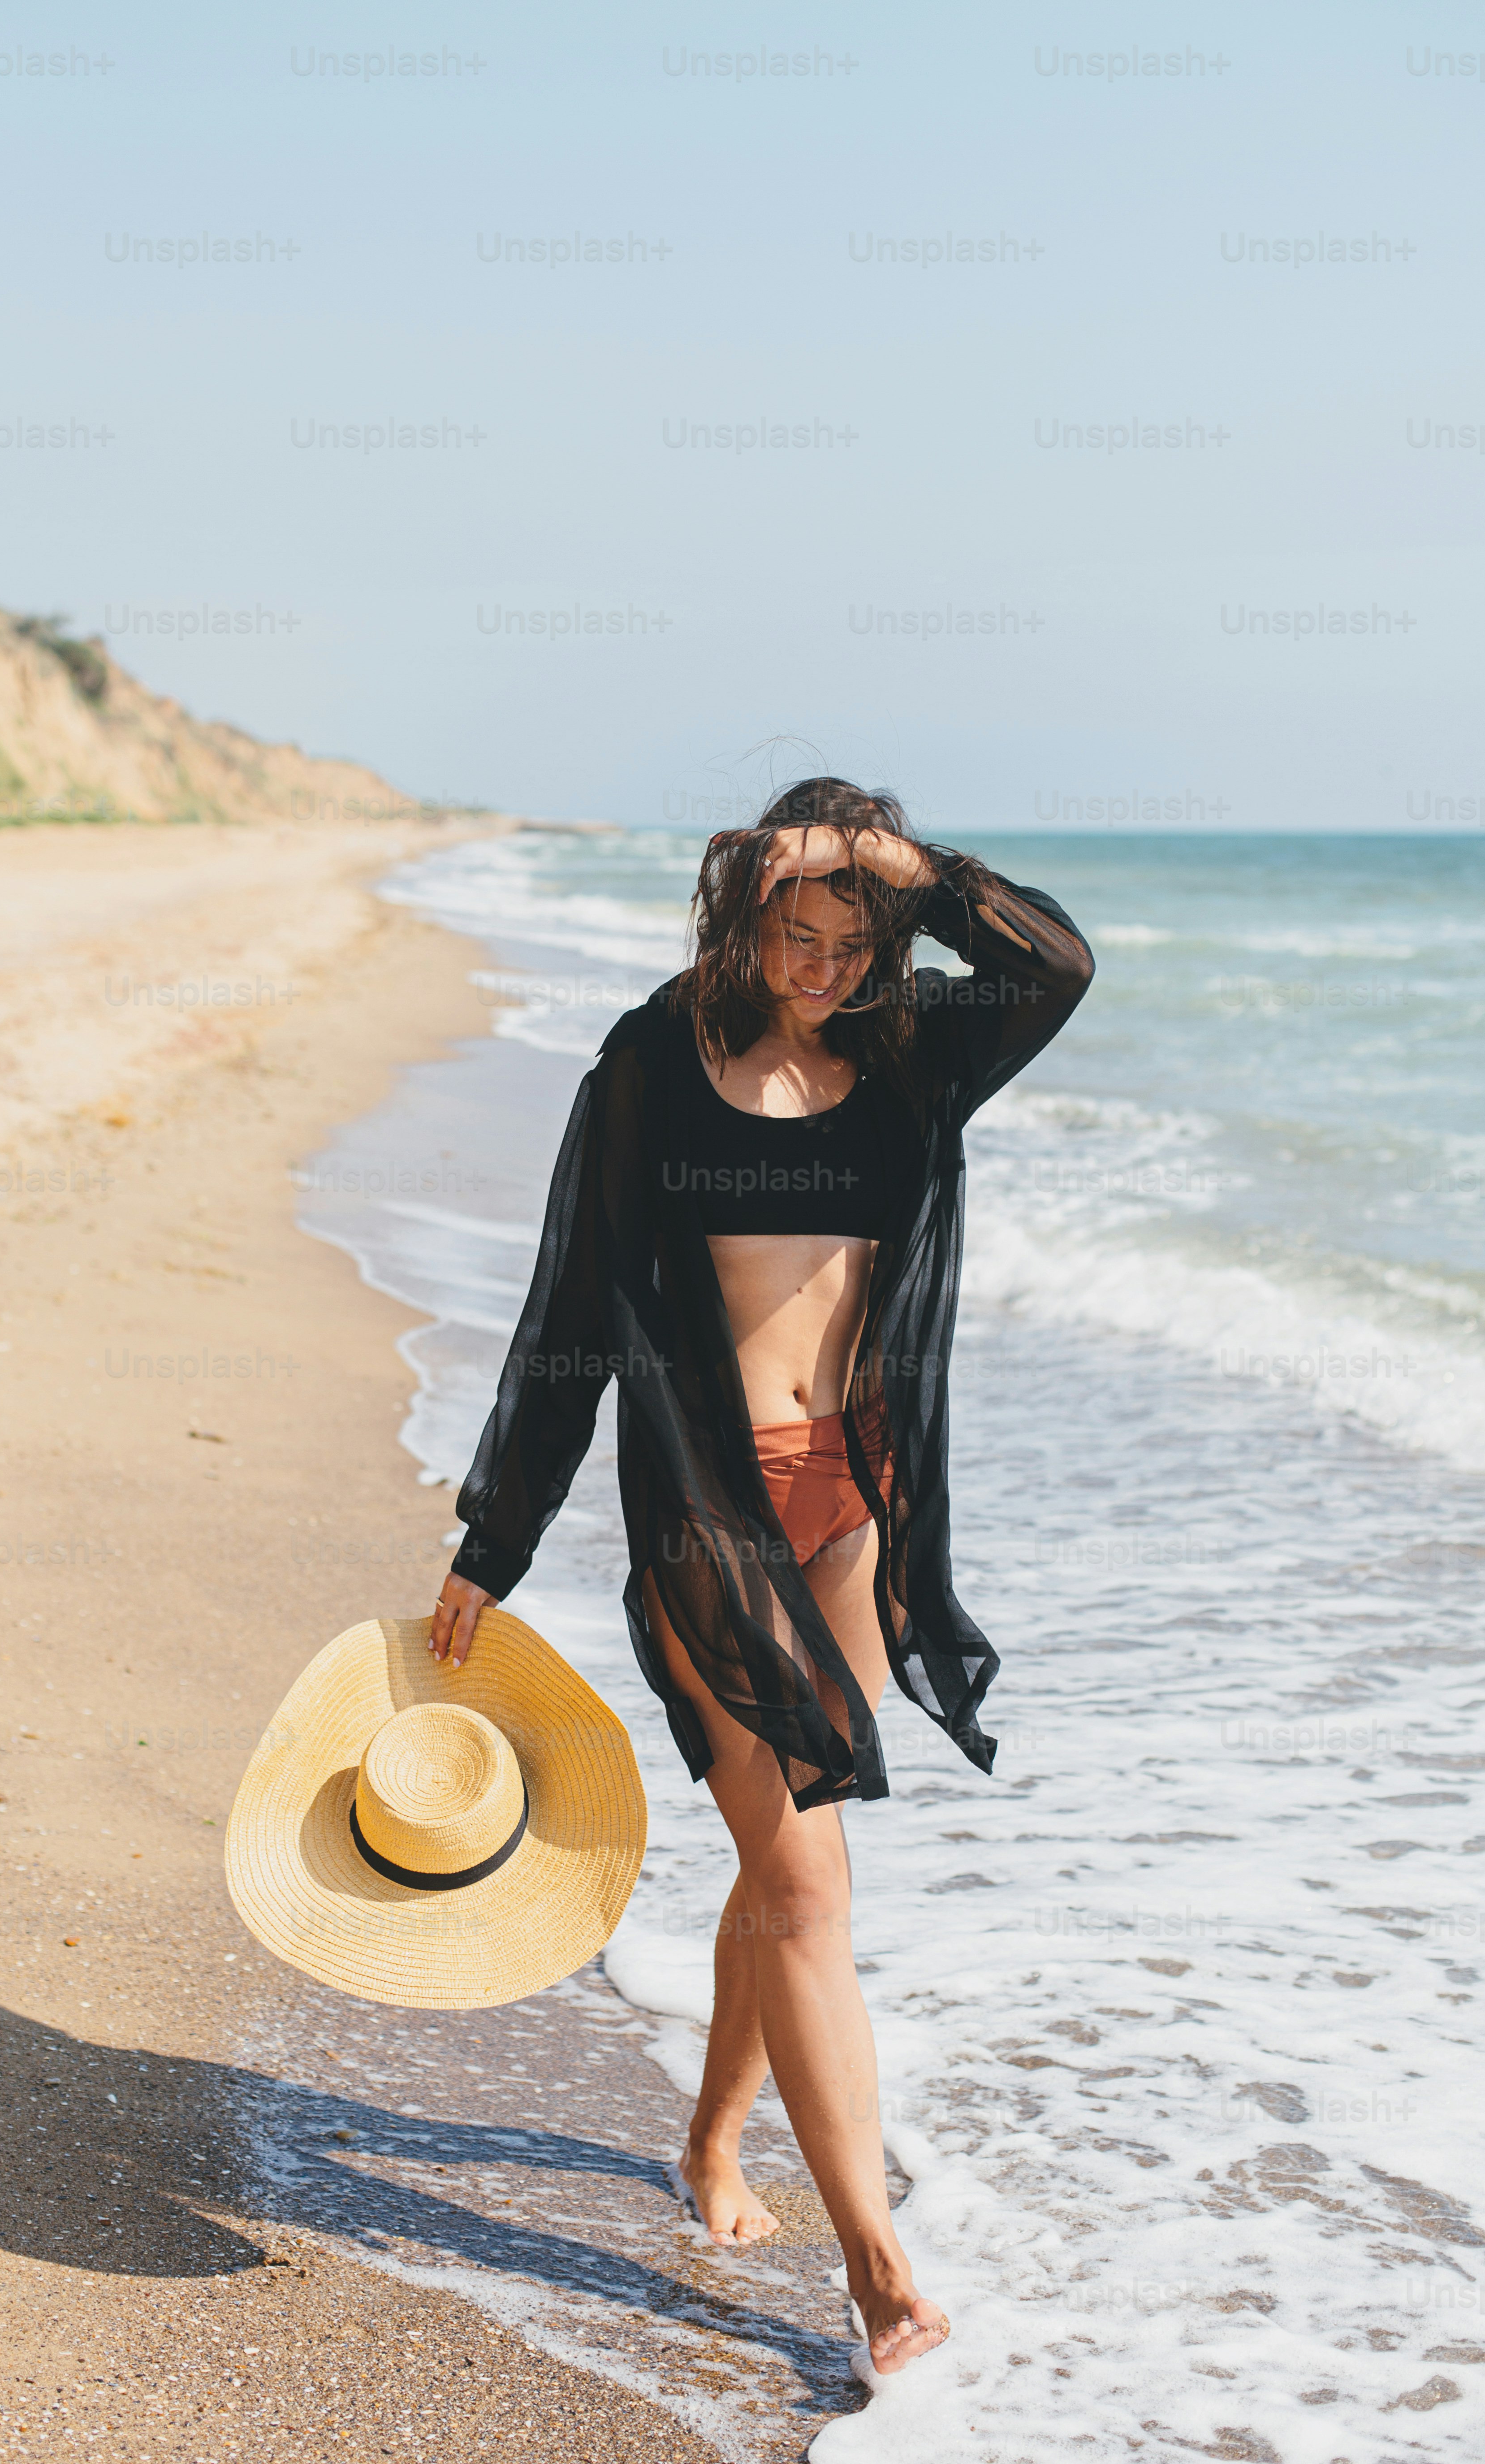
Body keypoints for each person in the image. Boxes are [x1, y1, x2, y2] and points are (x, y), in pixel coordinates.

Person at [429, 778, 1095, 2373]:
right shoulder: (653, 1064)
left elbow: (1056, 964)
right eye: (794, 933)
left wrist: (892, 863)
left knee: (781, 1869)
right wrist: (494, 1542)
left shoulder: (913, 1051)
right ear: (741, 916)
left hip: (855, 1504)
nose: (820, 967)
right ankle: (876, 2269)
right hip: (708, 1515)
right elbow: (568, 1309)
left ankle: (714, 2135)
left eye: (851, 939)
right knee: (806, 1887)